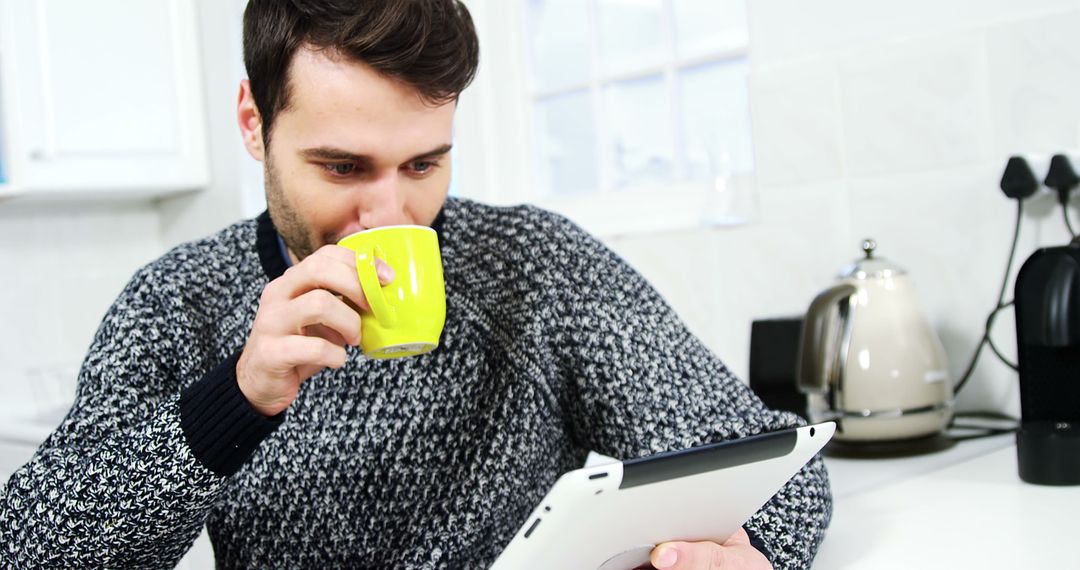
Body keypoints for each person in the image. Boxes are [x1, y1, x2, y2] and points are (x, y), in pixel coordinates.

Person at [0, 1, 831, 568]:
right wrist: (236, 402)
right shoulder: (177, 301)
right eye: (341, 166)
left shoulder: (537, 265)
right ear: (255, 124)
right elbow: (30, 550)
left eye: (424, 162)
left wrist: (741, 550)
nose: (390, 217)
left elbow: (776, 463)